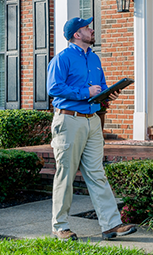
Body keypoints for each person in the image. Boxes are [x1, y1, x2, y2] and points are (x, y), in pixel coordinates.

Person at [46, 16, 136, 241]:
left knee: (97, 173)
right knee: (65, 174)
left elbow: (101, 87)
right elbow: (54, 87)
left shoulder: (95, 58)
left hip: (92, 121)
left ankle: (111, 225)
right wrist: (86, 93)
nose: (92, 30)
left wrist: (109, 93)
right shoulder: (62, 58)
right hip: (69, 120)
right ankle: (60, 226)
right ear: (77, 34)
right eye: (87, 27)